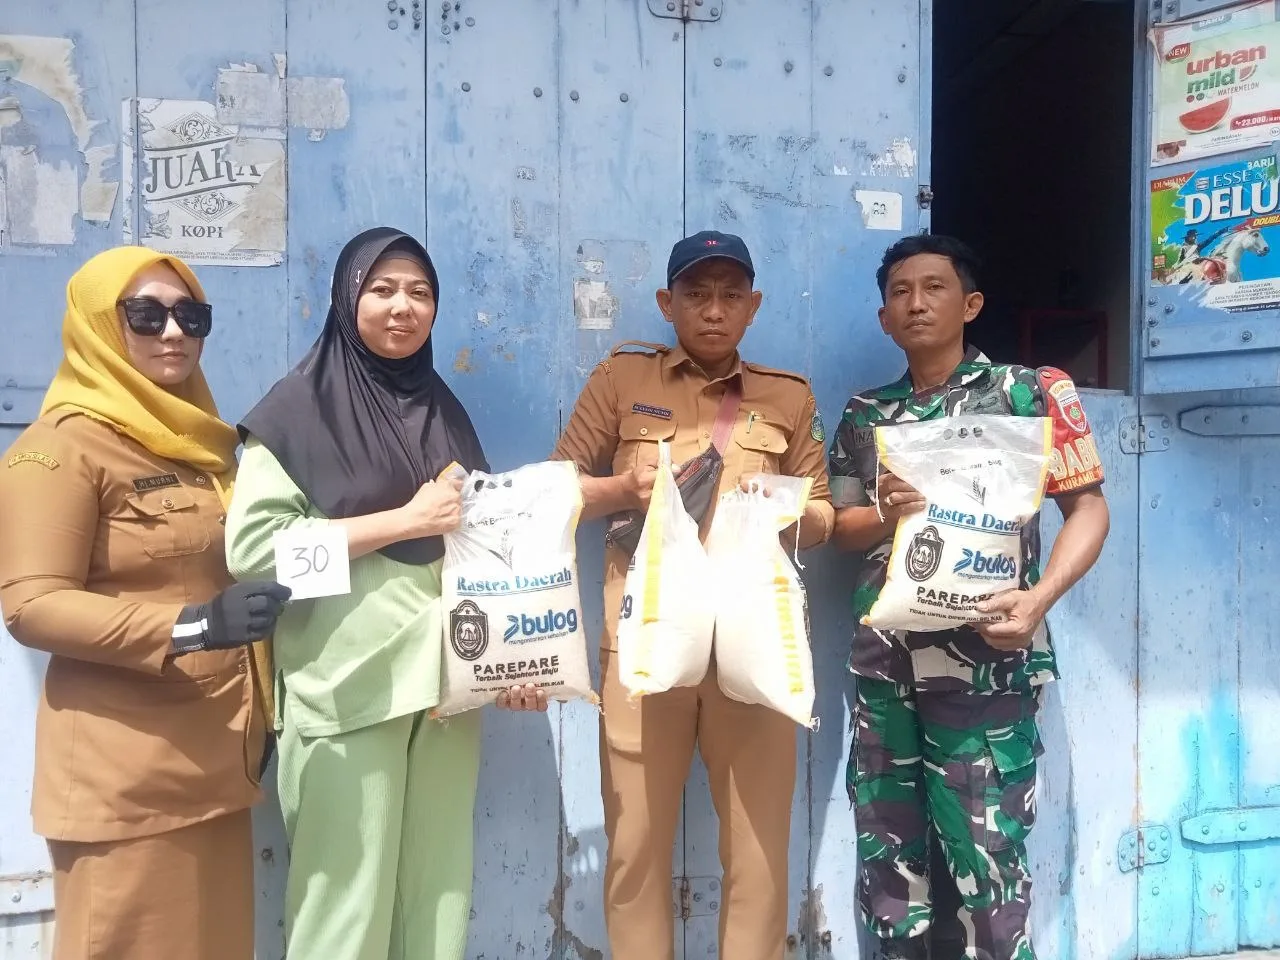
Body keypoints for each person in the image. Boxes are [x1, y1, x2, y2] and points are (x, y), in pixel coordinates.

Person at [224, 227, 540, 960]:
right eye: (383, 289)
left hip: (445, 690)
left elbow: (483, 549)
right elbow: (255, 556)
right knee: (346, 904)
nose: (404, 306)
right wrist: (402, 520)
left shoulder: (444, 412)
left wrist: (512, 662)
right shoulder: (294, 415)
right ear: (347, 299)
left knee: (435, 897)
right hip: (347, 691)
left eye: (420, 292)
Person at [549, 230, 834, 960]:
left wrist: (788, 507)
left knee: (760, 860)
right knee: (635, 853)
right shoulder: (622, 379)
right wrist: (624, 487)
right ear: (666, 302)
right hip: (645, 644)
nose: (713, 310)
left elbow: (825, 514)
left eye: (731, 295)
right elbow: (556, 490)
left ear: (753, 306)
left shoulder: (788, 396)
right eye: (697, 294)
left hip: (752, 648)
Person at [0, 246, 290, 959]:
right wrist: (193, 626)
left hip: (217, 767)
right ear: (101, 325)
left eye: (191, 316)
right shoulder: (61, 449)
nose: (174, 333)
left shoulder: (199, 447)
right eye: (147, 315)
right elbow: (32, 605)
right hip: (126, 783)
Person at [828, 234, 1110, 960]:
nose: (916, 303)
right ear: (884, 317)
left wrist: (1039, 600)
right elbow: (841, 527)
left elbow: (1088, 509)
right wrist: (886, 511)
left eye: (935, 287)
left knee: (987, 857)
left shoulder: (1029, 393)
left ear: (971, 303)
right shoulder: (866, 414)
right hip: (884, 666)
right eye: (899, 292)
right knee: (889, 857)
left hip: (987, 664)